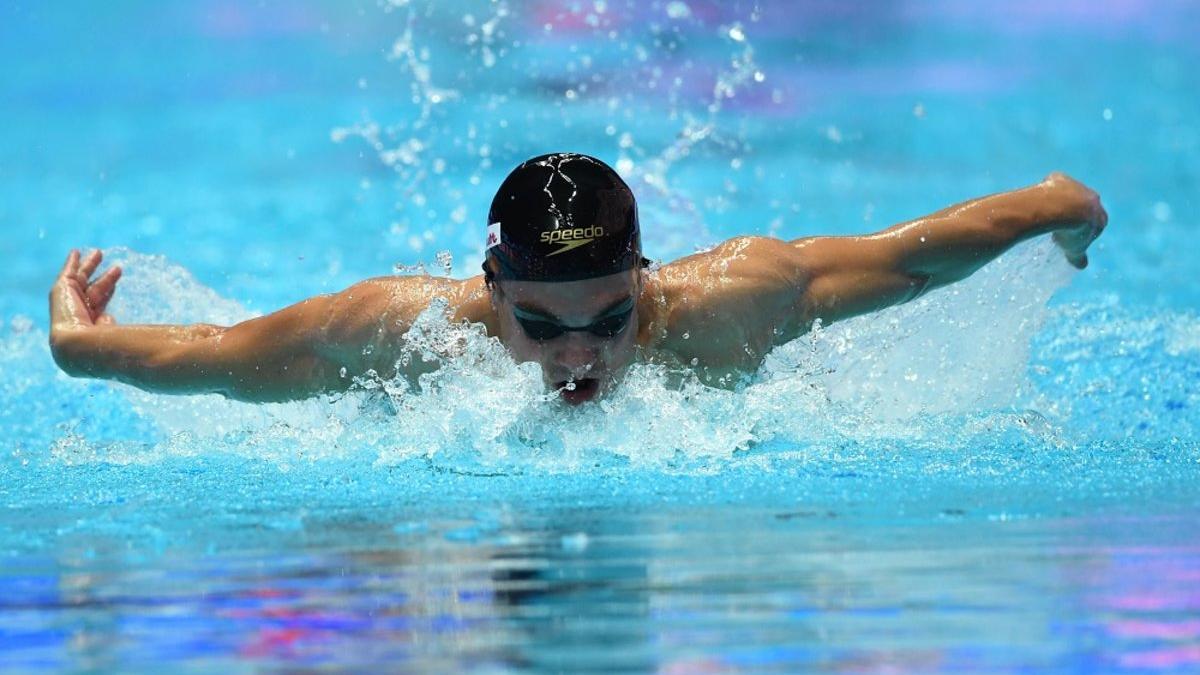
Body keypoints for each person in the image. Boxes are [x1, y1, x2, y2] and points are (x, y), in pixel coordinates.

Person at [49, 152, 1107, 405]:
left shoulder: (728, 302)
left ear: (645, 278)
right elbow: (216, 360)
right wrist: (79, 346)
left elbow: (915, 253)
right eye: (545, 325)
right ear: (490, 287)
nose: (579, 355)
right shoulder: (403, 332)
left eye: (610, 316)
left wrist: (1058, 211)